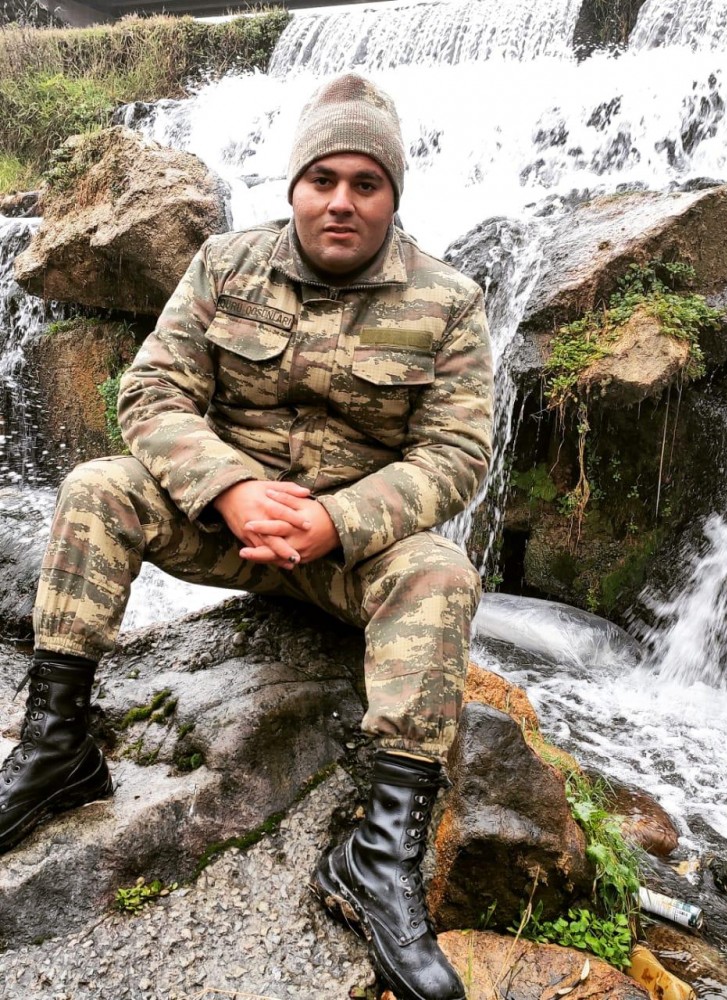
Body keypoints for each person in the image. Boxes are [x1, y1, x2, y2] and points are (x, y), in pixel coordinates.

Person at [0, 73, 492, 1000]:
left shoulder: (449, 300)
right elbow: (150, 392)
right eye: (323, 179)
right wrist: (227, 489)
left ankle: (378, 853)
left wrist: (337, 521)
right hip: (220, 528)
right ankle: (59, 745)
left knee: (440, 571)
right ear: (294, 185)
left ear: (393, 194)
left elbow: (457, 455)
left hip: (349, 558)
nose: (341, 201)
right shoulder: (226, 264)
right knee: (97, 487)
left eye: (366, 183)